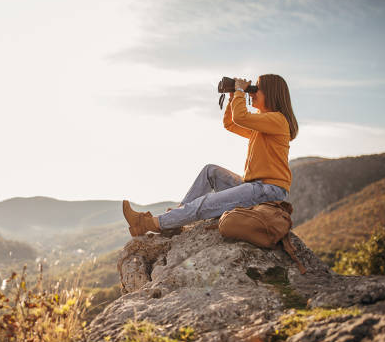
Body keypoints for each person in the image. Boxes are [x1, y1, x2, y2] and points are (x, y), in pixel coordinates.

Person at [123, 74, 299, 237]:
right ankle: (174, 221)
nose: (251, 92)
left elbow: (240, 118)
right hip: (256, 186)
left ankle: (148, 224)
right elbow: (231, 124)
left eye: (256, 88)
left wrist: (239, 91)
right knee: (211, 171)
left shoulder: (277, 120)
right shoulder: (264, 124)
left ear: (271, 93)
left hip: (268, 191)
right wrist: (232, 97)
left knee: (207, 203)